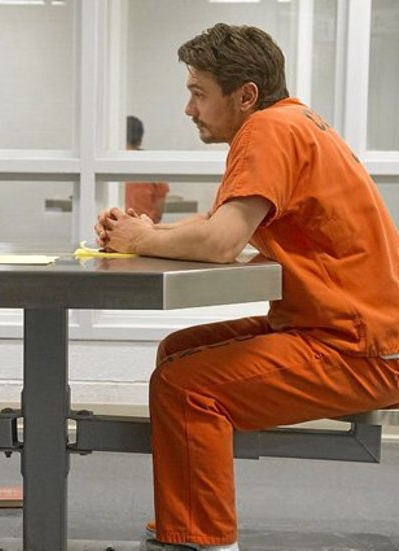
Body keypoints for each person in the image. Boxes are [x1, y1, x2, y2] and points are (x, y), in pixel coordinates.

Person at [95, 23, 398, 551]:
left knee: (187, 386)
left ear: (246, 95)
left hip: (364, 348)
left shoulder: (267, 131)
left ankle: (207, 541)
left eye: (198, 93)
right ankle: (190, 519)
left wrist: (141, 239)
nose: (189, 109)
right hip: (348, 330)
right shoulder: (295, 122)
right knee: (179, 350)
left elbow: (220, 243)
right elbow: (220, 225)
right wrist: (144, 232)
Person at [124, 115, 170, 223]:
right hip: (145, 226)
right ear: (140, 140)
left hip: (116, 227)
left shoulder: (112, 164)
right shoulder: (153, 165)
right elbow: (159, 209)